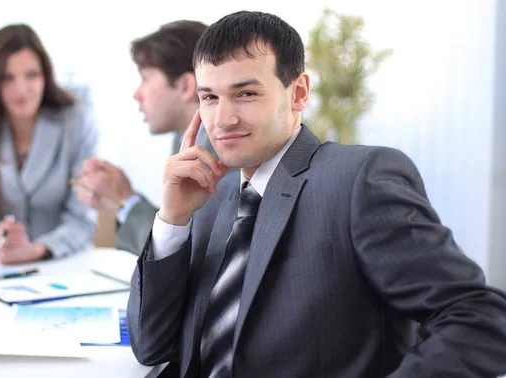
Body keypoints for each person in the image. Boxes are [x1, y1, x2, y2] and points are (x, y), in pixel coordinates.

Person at [126, 11, 506, 377]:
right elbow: (152, 347)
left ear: (299, 93)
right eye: (209, 97)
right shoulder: (212, 199)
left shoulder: (358, 180)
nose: (222, 120)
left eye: (245, 94)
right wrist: (171, 222)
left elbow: (480, 316)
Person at [0, 24, 98, 264]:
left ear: (46, 76)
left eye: (32, 75)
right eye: (7, 78)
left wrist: (38, 249)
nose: (21, 89)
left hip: (62, 263)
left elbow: (82, 219)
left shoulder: (77, 121)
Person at [75, 20, 216, 255]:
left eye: (146, 78)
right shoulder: (187, 141)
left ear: (185, 86)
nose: (137, 94)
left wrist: (124, 201)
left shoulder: (217, 153)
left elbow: (184, 253)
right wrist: (120, 200)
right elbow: (177, 226)